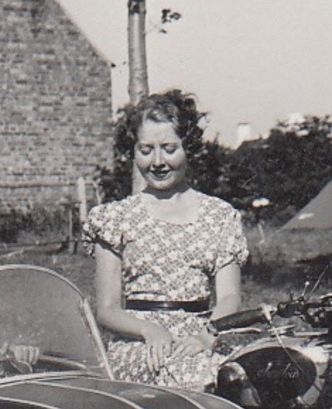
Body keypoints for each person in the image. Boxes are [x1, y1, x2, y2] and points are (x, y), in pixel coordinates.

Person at [84, 90, 248, 390]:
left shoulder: (219, 215)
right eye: (146, 150)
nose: (157, 161)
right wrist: (149, 330)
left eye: (169, 149)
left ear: (189, 149)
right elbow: (106, 309)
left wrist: (206, 334)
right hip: (141, 342)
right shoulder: (114, 218)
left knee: (247, 378)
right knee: (190, 378)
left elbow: (229, 297)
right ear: (133, 152)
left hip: (201, 337)